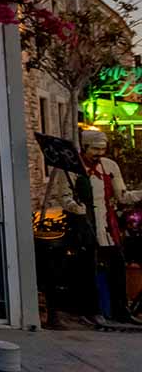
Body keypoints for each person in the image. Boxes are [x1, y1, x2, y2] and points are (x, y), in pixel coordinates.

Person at [60, 128, 142, 324]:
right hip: (85, 224)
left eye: (102, 149)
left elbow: (122, 195)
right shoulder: (72, 167)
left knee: (117, 265)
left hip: (107, 224)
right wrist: (76, 208)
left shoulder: (110, 166)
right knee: (88, 268)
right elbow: (64, 197)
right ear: (85, 147)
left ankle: (120, 310)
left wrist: (140, 194)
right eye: (95, 149)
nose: (99, 153)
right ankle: (92, 310)